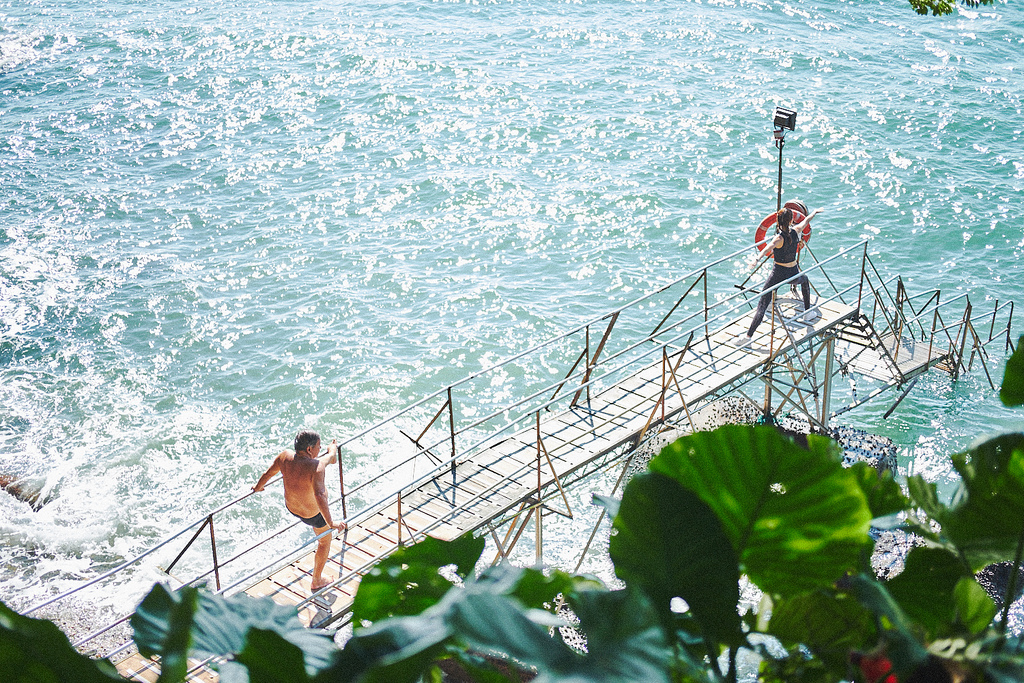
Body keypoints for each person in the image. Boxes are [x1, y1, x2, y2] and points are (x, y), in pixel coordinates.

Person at [253, 429, 346, 593]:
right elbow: (319, 495)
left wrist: (258, 487)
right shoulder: (316, 467)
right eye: (318, 446)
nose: (319, 449)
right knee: (325, 541)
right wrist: (331, 523)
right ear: (309, 449)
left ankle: (332, 453)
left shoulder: (285, 457)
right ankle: (317, 580)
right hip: (313, 515)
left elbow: (268, 473)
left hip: (292, 508)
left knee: (327, 459)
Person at [735, 206, 822, 347]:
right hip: (793, 273)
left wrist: (755, 260)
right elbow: (806, 220)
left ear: (778, 221)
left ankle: (748, 337)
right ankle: (807, 312)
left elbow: (766, 249)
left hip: (778, 274)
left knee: (762, 305)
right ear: (791, 220)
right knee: (804, 280)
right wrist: (814, 212)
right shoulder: (797, 230)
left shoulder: (778, 239)